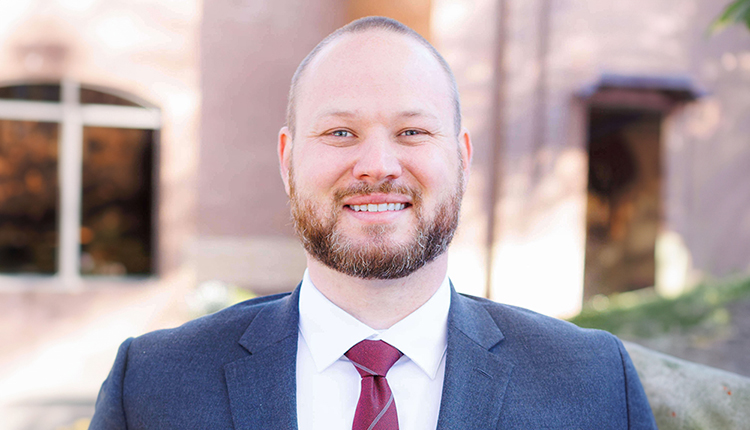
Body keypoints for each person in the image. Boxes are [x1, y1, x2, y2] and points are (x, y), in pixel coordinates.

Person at [90, 16, 657, 430]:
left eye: (412, 132)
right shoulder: (154, 386)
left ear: (462, 158)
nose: (378, 165)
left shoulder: (591, 382)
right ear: (287, 160)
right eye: (341, 132)